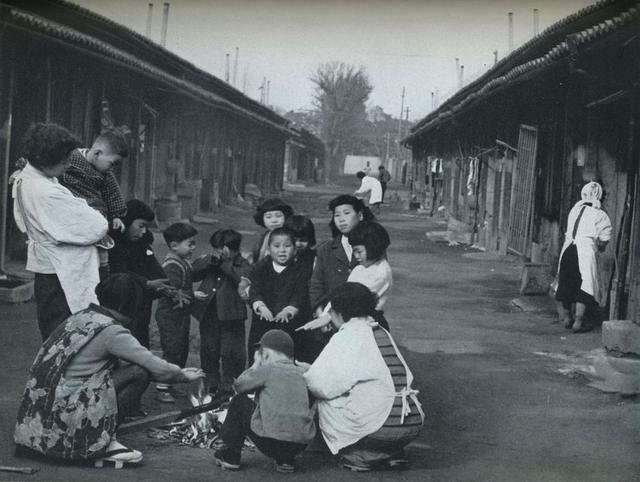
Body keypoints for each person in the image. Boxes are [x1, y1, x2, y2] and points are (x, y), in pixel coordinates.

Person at [14, 274, 204, 467]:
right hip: (65, 414)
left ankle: (84, 437)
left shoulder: (81, 316)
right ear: (129, 305)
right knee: (139, 373)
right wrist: (182, 375)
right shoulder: (111, 331)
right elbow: (152, 365)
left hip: (36, 417)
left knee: (121, 370)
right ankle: (101, 443)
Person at [304, 282, 424, 472]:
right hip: (411, 422)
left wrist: (307, 370)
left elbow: (321, 385)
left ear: (339, 313)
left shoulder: (348, 335)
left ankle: (361, 455)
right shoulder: (379, 330)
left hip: (379, 427)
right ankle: (391, 452)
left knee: (323, 400)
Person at [12, 123, 108, 340]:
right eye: (63, 159)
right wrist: (86, 207)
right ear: (45, 159)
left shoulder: (26, 178)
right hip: (61, 272)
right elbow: (97, 226)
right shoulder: (47, 192)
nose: (68, 164)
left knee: (55, 330)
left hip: (49, 267)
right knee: (67, 333)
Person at [213, 330, 316, 473]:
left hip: (271, 443)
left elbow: (239, 386)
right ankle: (285, 461)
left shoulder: (268, 369)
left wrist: (256, 364)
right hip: (298, 445)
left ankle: (230, 456)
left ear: (266, 354)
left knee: (239, 401)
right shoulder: (303, 373)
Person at [298, 221, 393, 332]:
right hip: (344, 317)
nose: (356, 256)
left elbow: (353, 299)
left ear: (373, 247)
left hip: (367, 321)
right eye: (354, 252)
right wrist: (325, 315)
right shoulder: (360, 268)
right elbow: (341, 293)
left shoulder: (380, 272)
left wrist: (329, 318)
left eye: (359, 252)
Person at [60, 129, 129, 279]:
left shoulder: (105, 175)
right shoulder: (69, 158)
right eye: (112, 163)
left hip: (96, 212)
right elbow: (45, 164)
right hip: (72, 210)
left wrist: (117, 215)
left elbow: (113, 193)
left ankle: (102, 274)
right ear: (97, 154)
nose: (112, 168)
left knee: (100, 251)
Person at [193, 229, 251, 400]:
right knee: (209, 349)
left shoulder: (243, 264)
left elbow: (242, 279)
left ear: (229, 248)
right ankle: (210, 383)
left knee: (231, 352)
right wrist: (208, 263)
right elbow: (193, 273)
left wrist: (225, 265)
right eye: (216, 248)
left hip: (232, 316)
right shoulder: (212, 261)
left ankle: (230, 386)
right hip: (209, 313)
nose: (217, 252)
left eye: (220, 248)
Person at [155, 222, 209, 402]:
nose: (193, 247)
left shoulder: (182, 262)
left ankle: (171, 383)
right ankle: (162, 386)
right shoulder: (172, 266)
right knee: (172, 350)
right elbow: (171, 291)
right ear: (174, 246)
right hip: (170, 316)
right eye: (190, 244)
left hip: (180, 316)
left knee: (180, 349)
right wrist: (192, 294)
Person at [109, 199, 174, 347]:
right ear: (127, 221)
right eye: (141, 226)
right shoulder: (114, 245)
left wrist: (165, 285)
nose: (143, 231)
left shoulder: (142, 244)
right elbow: (118, 272)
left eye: (146, 227)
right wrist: (147, 283)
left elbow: (154, 266)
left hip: (142, 306)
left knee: (140, 341)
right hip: (121, 305)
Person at [555, 181, 612, 333]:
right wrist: (600, 246)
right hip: (584, 252)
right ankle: (578, 322)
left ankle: (567, 318)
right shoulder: (600, 214)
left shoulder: (574, 210)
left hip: (567, 249)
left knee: (566, 281)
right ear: (599, 196)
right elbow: (604, 239)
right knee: (585, 285)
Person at [247, 227, 309, 363]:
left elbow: (300, 294)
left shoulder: (301, 270)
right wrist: (260, 306)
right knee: (259, 359)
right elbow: (254, 290)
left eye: (287, 246)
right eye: (276, 246)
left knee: (286, 360)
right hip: (262, 324)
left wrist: (290, 309)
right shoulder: (260, 268)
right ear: (269, 248)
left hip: (289, 326)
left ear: (294, 248)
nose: (282, 250)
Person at [309, 194, 374, 314]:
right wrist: (320, 315)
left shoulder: (372, 246)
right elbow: (316, 286)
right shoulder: (325, 249)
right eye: (337, 215)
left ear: (360, 215)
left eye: (346, 213)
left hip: (364, 316)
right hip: (330, 317)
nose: (341, 219)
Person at [250, 198, 294, 263]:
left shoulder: (290, 237)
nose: (274, 220)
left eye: (278, 216)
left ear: (285, 216)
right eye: (268, 217)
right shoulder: (265, 236)